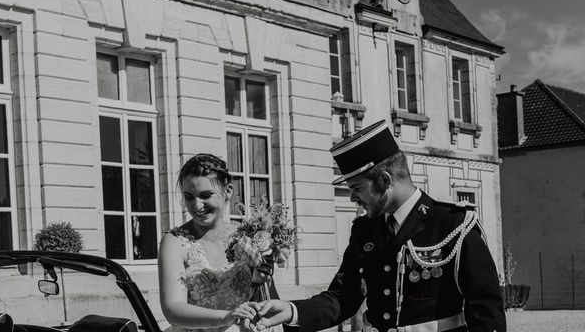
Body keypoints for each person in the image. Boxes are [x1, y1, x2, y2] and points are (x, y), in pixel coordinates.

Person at [255, 120, 506, 332]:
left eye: (356, 188)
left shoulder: (453, 224)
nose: (352, 198)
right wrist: (291, 310)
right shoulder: (365, 230)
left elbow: (486, 310)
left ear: (384, 180)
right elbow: (343, 297)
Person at [159, 153, 280, 332]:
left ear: (228, 191)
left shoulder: (250, 237)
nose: (197, 206)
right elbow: (173, 309)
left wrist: (261, 280)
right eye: (189, 197)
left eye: (205, 195)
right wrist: (226, 317)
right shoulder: (175, 242)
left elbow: (269, 299)